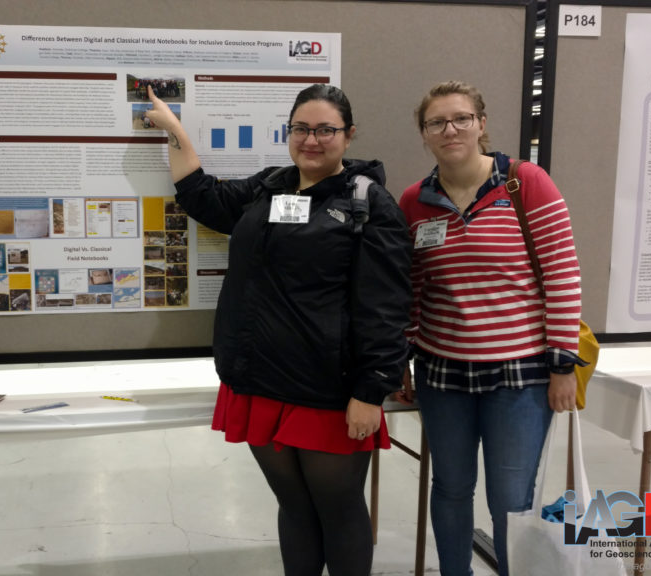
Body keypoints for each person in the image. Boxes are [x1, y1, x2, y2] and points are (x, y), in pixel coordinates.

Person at [145, 84, 411, 576]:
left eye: (326, 130)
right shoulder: (270, 185)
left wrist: (372, 390)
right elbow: (203, 196)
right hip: (259, 380)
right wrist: (174, 129)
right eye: (302, 129)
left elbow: (386, 306)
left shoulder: (368, 204)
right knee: (295, 507)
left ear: (348, 136)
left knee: (339, 510)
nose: (312, 140)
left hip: (329, 390)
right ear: (288, 132)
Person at [397, 80, 583, 576]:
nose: (450, 129)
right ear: (424, 133)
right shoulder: (415, 201)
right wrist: (402, 358)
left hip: (519, 376)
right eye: (436, 122)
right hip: (443, 374)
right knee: (451, 488)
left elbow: (562, 272)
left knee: (511, 499)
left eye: (461, 118)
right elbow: (411, 288)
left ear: (481, 123)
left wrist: (563, 363)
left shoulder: (525, 183)